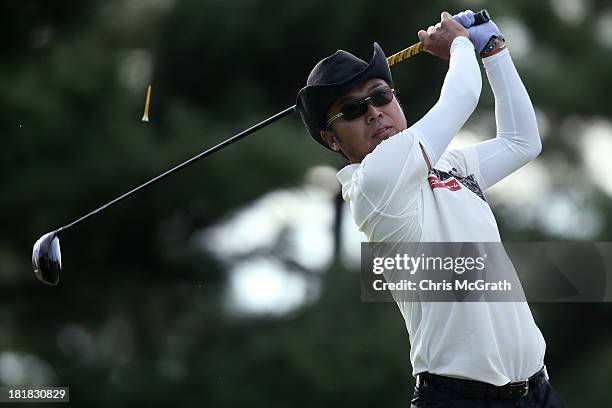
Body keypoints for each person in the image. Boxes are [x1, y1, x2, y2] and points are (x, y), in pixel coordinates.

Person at [296, 10, 565, 408]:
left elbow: (521, 141)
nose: (373, 112)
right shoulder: (374, 183)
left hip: (538, 393)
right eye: (351, 110)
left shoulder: (449, 165)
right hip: (458, 400)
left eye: (380, 96)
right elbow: (462, 96)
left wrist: (495, 52)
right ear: (332, 140)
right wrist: (457, 43)